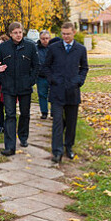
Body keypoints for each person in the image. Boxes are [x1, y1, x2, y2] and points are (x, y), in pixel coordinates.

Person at [43, 22, 89, 163]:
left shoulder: (80, 49)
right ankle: (57, 151)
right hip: (57, 91)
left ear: (73, 33)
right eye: (63, 34)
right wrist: (52, 80)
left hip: (72, 92)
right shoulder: (53, 48)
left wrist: (79, 81)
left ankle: (68, 147)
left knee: (71, 122)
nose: (66, 36)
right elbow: (46, 67)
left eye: (68, 34)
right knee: (57, 122)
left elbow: (84, 68)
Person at [0, 22, 40, 156]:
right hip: (8, 87)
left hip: (25, 87)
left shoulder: (30, 46)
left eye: (20, 32)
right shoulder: (3, 48)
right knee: (10, 115)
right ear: (10, 34)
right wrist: (3, 81)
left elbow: (36, 66)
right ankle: (9, 146)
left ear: (22, 32)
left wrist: (30, 81)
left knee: (25, 114)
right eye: (15, 32)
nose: (18, 35)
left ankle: (23, 136)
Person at [36, 30, 61, 119]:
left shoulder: (54, 48)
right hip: (41, 76)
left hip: (53, 75)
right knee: (42, 94)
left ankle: (54, 112)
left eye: (47, 38)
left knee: (54, 95)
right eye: (43, 39)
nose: (45, 40)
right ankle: (44, 112)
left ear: (49, 38)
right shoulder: (36, 49)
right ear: (40, 39)